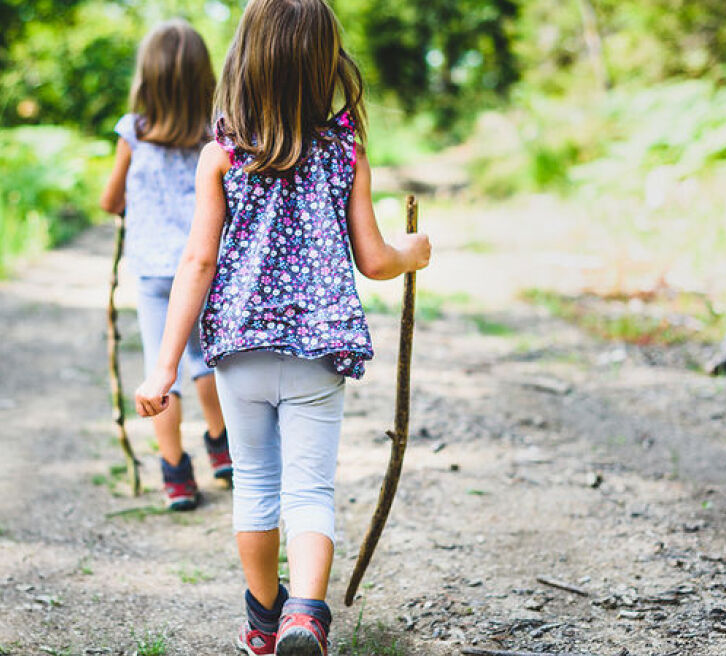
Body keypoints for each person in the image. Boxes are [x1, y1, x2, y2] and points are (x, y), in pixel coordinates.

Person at [133, 1, 432, 653]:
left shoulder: (222, 155)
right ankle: (305, 614)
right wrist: (416, 252)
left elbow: (198, 262)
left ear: (245, 59)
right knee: (309, 490)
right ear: (323, 63)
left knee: (257, 487)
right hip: (317, 351)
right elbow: (375, 259)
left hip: (237, 352)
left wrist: (163, 366)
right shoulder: (342, 151)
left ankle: (264, 625)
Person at [100, 19, 231, 511]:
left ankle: (176, 473)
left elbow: (111, 200)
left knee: (164, 369)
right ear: (205, 79)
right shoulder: (215, 136)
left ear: (146, 79)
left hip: (154, 273)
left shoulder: (132, 133)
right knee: (203, 360)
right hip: (203, 265)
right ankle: (222, 447)